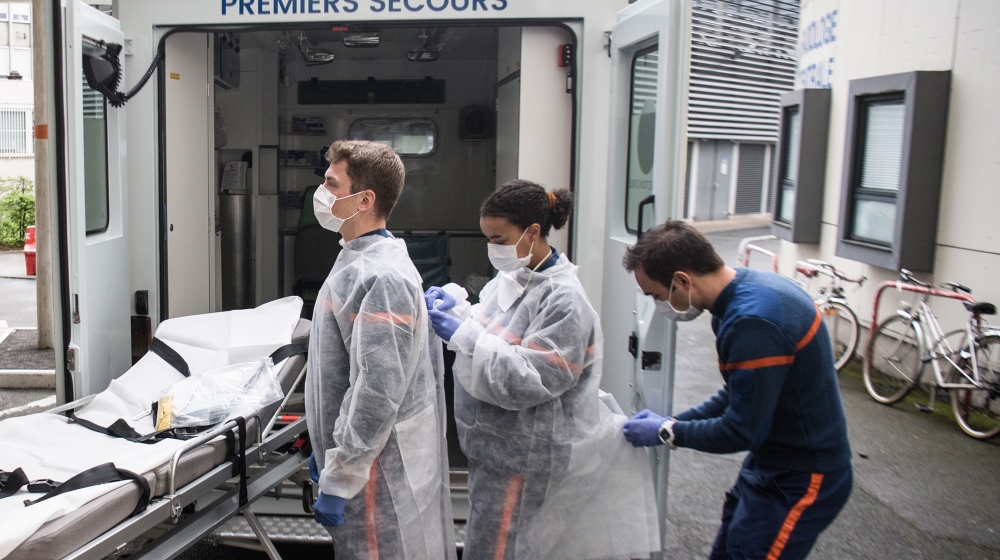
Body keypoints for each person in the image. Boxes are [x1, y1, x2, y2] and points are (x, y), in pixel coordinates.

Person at [424, 180, 660, 560]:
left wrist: (464, 336)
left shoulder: (564, 299)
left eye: (499, 239)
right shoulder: (515, 277)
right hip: (496, 451)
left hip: (527, 455)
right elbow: (493, 333)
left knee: (507, 550)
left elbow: (529, 379)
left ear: (533, 232)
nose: (493, 249)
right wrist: (456, 308)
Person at [620, 221, 853, 560]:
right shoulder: (741, 295)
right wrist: (672, 421)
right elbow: (737, 395)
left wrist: (668, 432)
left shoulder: (753, 322)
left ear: (682, 280)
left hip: (803, 476)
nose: (658, 304)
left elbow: (741, 430)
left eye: (656, 295)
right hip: (772, 465)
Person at [304, 140, 456, 560]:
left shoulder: (381, 275)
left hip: (375, 470)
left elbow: (377, 391)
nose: (321, 193)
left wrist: (343, 473)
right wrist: (326, 449)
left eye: (332, 184)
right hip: (360, 460)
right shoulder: (356, 259)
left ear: (365, 199)